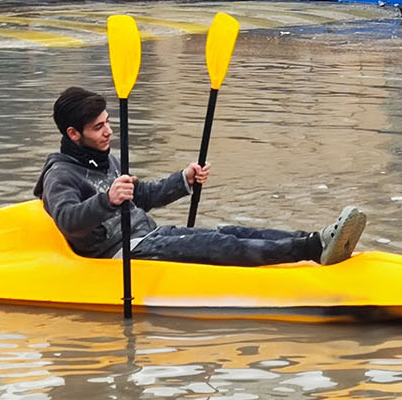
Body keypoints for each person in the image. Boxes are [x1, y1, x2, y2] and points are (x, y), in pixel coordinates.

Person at [33, 86, 367, 267]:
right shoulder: (60, 175)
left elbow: (143, 197)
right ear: (74, 134)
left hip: (150, 236)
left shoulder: (103, 159)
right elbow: (67, 220)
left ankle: (317, 239)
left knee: (231, 230)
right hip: (118, 253)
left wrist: (184, 179)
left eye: (108, 122)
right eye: (99, 127)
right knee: (215, 243)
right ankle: (311, 249)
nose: (109, 131)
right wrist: (106, 200)